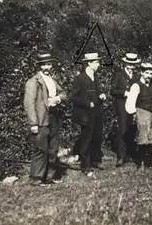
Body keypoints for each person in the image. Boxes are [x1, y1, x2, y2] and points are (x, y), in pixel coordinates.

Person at [24, 53, 67, 186]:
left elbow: (63, 93)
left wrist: (57, 99)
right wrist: (33, 123)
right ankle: (36, 179)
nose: (47, 67)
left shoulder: (52, 80)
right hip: (41, 120)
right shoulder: (33, 81)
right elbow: (29, 104)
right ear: (39, 66)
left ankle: (49, 177)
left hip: (54, 118)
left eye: (49, 64)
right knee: (40, 150)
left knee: (53, 149)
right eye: (44, 64)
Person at [71, 53, 107, 178]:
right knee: (86, 139)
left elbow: (95, 93)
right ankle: (86, 166)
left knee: (97, 136)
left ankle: (95, 161)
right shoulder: (80, 78)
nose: (99, 64)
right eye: (96, 62)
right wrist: (87, 103)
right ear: (89, 63)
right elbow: (74, 97)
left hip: (97, 112)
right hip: (86, 114)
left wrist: (101, 96)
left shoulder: (95, 77)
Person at [125, 63, 152, 170]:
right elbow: (130, 102)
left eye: (151, 73)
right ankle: (141, 162)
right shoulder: (136, 86)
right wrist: (134, 114)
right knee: (142, 138)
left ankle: (150, 161)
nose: (149, 75)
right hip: (141, 111)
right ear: (141, 73)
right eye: (146, 73)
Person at [110, 53, 140, 167]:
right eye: (129, 64)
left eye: (133, 64)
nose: (131, 66)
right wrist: (124, 93)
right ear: (125, 64)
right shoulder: (118, 75)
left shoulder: (136, 76)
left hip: (133, 106)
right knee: (122, 131)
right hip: (122, 106)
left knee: (132, 130)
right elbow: (113, 90)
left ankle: (131, 154)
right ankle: (121, 156)